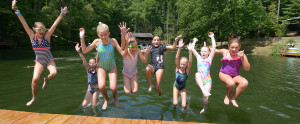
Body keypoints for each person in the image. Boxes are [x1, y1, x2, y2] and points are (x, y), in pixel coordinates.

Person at [12, 0, 68, 106]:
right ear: (34, 30)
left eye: (43, 29)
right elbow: (23, 22)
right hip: (39, 61)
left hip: (49, 59)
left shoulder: (47, 37)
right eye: (40, 29)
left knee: (54, 73)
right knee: (34, 79)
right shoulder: (32, 36)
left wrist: (61, 14)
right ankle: (34, 98)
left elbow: (54, 25)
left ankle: (46, 79)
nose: (42, 31)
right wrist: (15, 9)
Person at [79, 22, 128, 109]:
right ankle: (106, 99)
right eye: (101, 35)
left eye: (105, 35)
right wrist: (82, 37)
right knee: (101, 86)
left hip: (112, 66)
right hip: (101, 67)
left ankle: (114, 97)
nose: (104, 37)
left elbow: (123, 54)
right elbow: (85, 51)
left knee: (113, 88)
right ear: (98, 35)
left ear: (109, 33)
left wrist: (123, 35)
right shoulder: (97, 42)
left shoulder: (113, 41)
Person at [215, 33, 250, 107]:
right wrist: (206, 49)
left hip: (235, 75)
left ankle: (233, 98)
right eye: (232, 47)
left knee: (245, 83)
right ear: (229, 47)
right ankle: (227, 96)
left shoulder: (242, 55)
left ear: (239, 47)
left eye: (236, 47)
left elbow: (247, 69)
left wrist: (242, 58)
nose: (234, 49)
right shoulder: (225, 51)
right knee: (231, 83)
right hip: (224, 73)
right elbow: (214, 50)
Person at [191, 32, 216, 114]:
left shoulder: (209, 59)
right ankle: (203, 91)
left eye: (205, 51)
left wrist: (212, 37)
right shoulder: (198, 58)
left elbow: (214, 47)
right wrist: (194, 41)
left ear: (209, 53)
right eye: (202, 51)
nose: (203, 52)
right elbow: (192, 49)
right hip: (199, 79)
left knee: (205, 98)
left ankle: (205, 107)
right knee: (197, 74)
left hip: (207, 81)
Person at [173, 39, 193, 109]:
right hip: (176, 86)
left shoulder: (187, 71)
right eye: (181, 64)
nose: (182, 66)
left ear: (186, 65)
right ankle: (176, 100)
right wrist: (179, 48)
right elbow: (176, 57)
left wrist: (190, 51)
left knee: (184, 106)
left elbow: (190, 62)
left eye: (184, 64)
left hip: (183, 88)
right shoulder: (177, 68)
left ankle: (183, 110)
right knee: (175, 103)